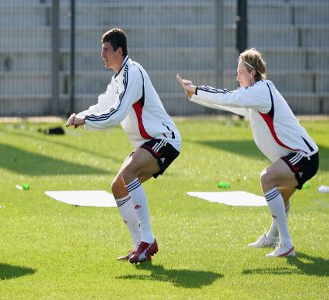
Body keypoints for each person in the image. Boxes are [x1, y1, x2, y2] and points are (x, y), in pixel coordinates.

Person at [175, 48, 319, 257]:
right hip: (300, 156)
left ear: (252, 73)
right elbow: (229, 104)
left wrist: (196, 89)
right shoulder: (255, 95)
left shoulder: (260, 90)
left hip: (304, 156)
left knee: (267, 179)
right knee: (281, 196)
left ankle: (286, 245)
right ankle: (273, 238)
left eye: (240, 72)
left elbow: (229, 98)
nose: (237, 76)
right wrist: (194, 95)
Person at [66, 28, 181, 264]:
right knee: (118, 187)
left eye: (106, 50)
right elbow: (103, 106)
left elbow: (115, 114)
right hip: (148, 143)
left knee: (128, 174)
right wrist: (83, 117)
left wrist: (85, 120)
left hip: (163, 139)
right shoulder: (118, 77)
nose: (102, 55)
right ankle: (140, 244)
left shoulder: (132, 73)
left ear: (120, 50)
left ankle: (147, 241)